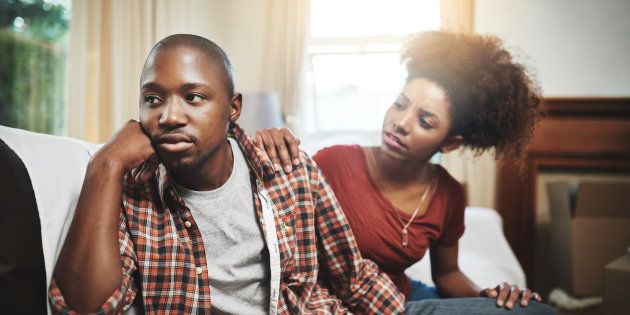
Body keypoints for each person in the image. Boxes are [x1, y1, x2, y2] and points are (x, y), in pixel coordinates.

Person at [48, 34, 405, 314]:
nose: (170, 116)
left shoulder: (289, 170)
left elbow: (352, 279)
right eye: (153, 99)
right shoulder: (133, 191)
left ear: (233, 108)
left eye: (193, 97)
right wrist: (105, 164)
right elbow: (86, 307)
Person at [254, 31, 556, 314]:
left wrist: (490, 297)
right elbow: (277, 229)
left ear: (449, 144)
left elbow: (448, 274)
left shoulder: (448, 194)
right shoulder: (333, 162)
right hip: (338, 302)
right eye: (400, 105)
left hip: (404, 296)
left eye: (425, 122)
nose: (402, 122)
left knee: (535, 312)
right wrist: (269, 149)